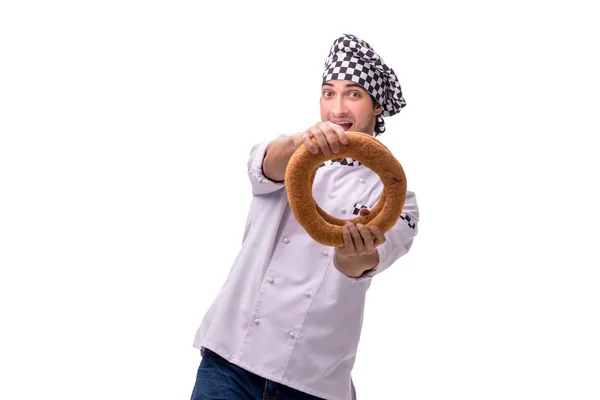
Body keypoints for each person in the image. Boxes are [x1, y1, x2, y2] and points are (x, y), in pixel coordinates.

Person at [190, 33, 419, 400]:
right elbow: (264, 166)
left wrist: (352, 251)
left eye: (354, 94)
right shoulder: (289, 153)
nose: (338, 108)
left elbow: (361, 263)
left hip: (313, 382)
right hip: (231, 359)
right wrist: (303, 143)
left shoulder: (397, 199)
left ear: (377, 107)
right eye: (329, 93)